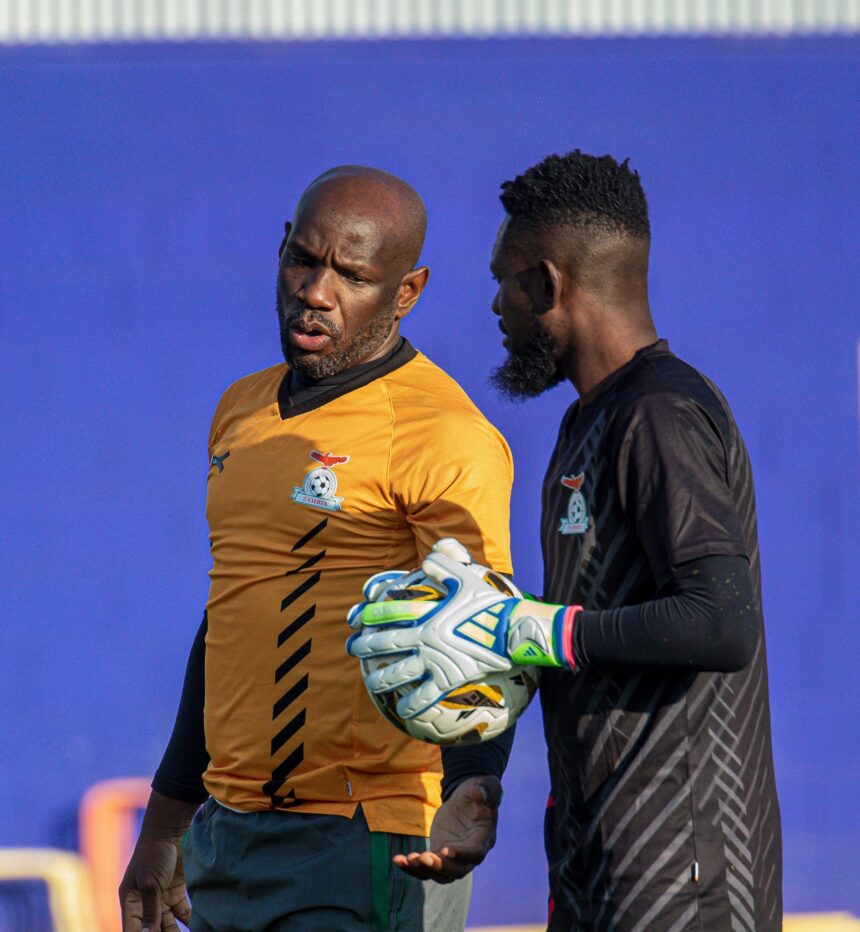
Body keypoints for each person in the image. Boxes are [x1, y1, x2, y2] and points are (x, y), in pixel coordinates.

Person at [348, 151, 783, 931]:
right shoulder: (586, 423)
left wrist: (538, 628)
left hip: (685, 875)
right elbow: (585, 639)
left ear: (548, 284)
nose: (494, 307)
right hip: (597, 861)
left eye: (503, 281)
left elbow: (721, 621)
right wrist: (478, 764)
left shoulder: (661, 414)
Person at [119, 165, 517, 932]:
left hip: (363, 838)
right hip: (225, 838)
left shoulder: (443, 434)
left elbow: (485, 635)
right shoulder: (241, 409)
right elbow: (228, 622)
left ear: (407, 292)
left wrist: (473, 787)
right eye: (304, 259)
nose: (316, 290)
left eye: (353, 275)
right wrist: (166, 827)